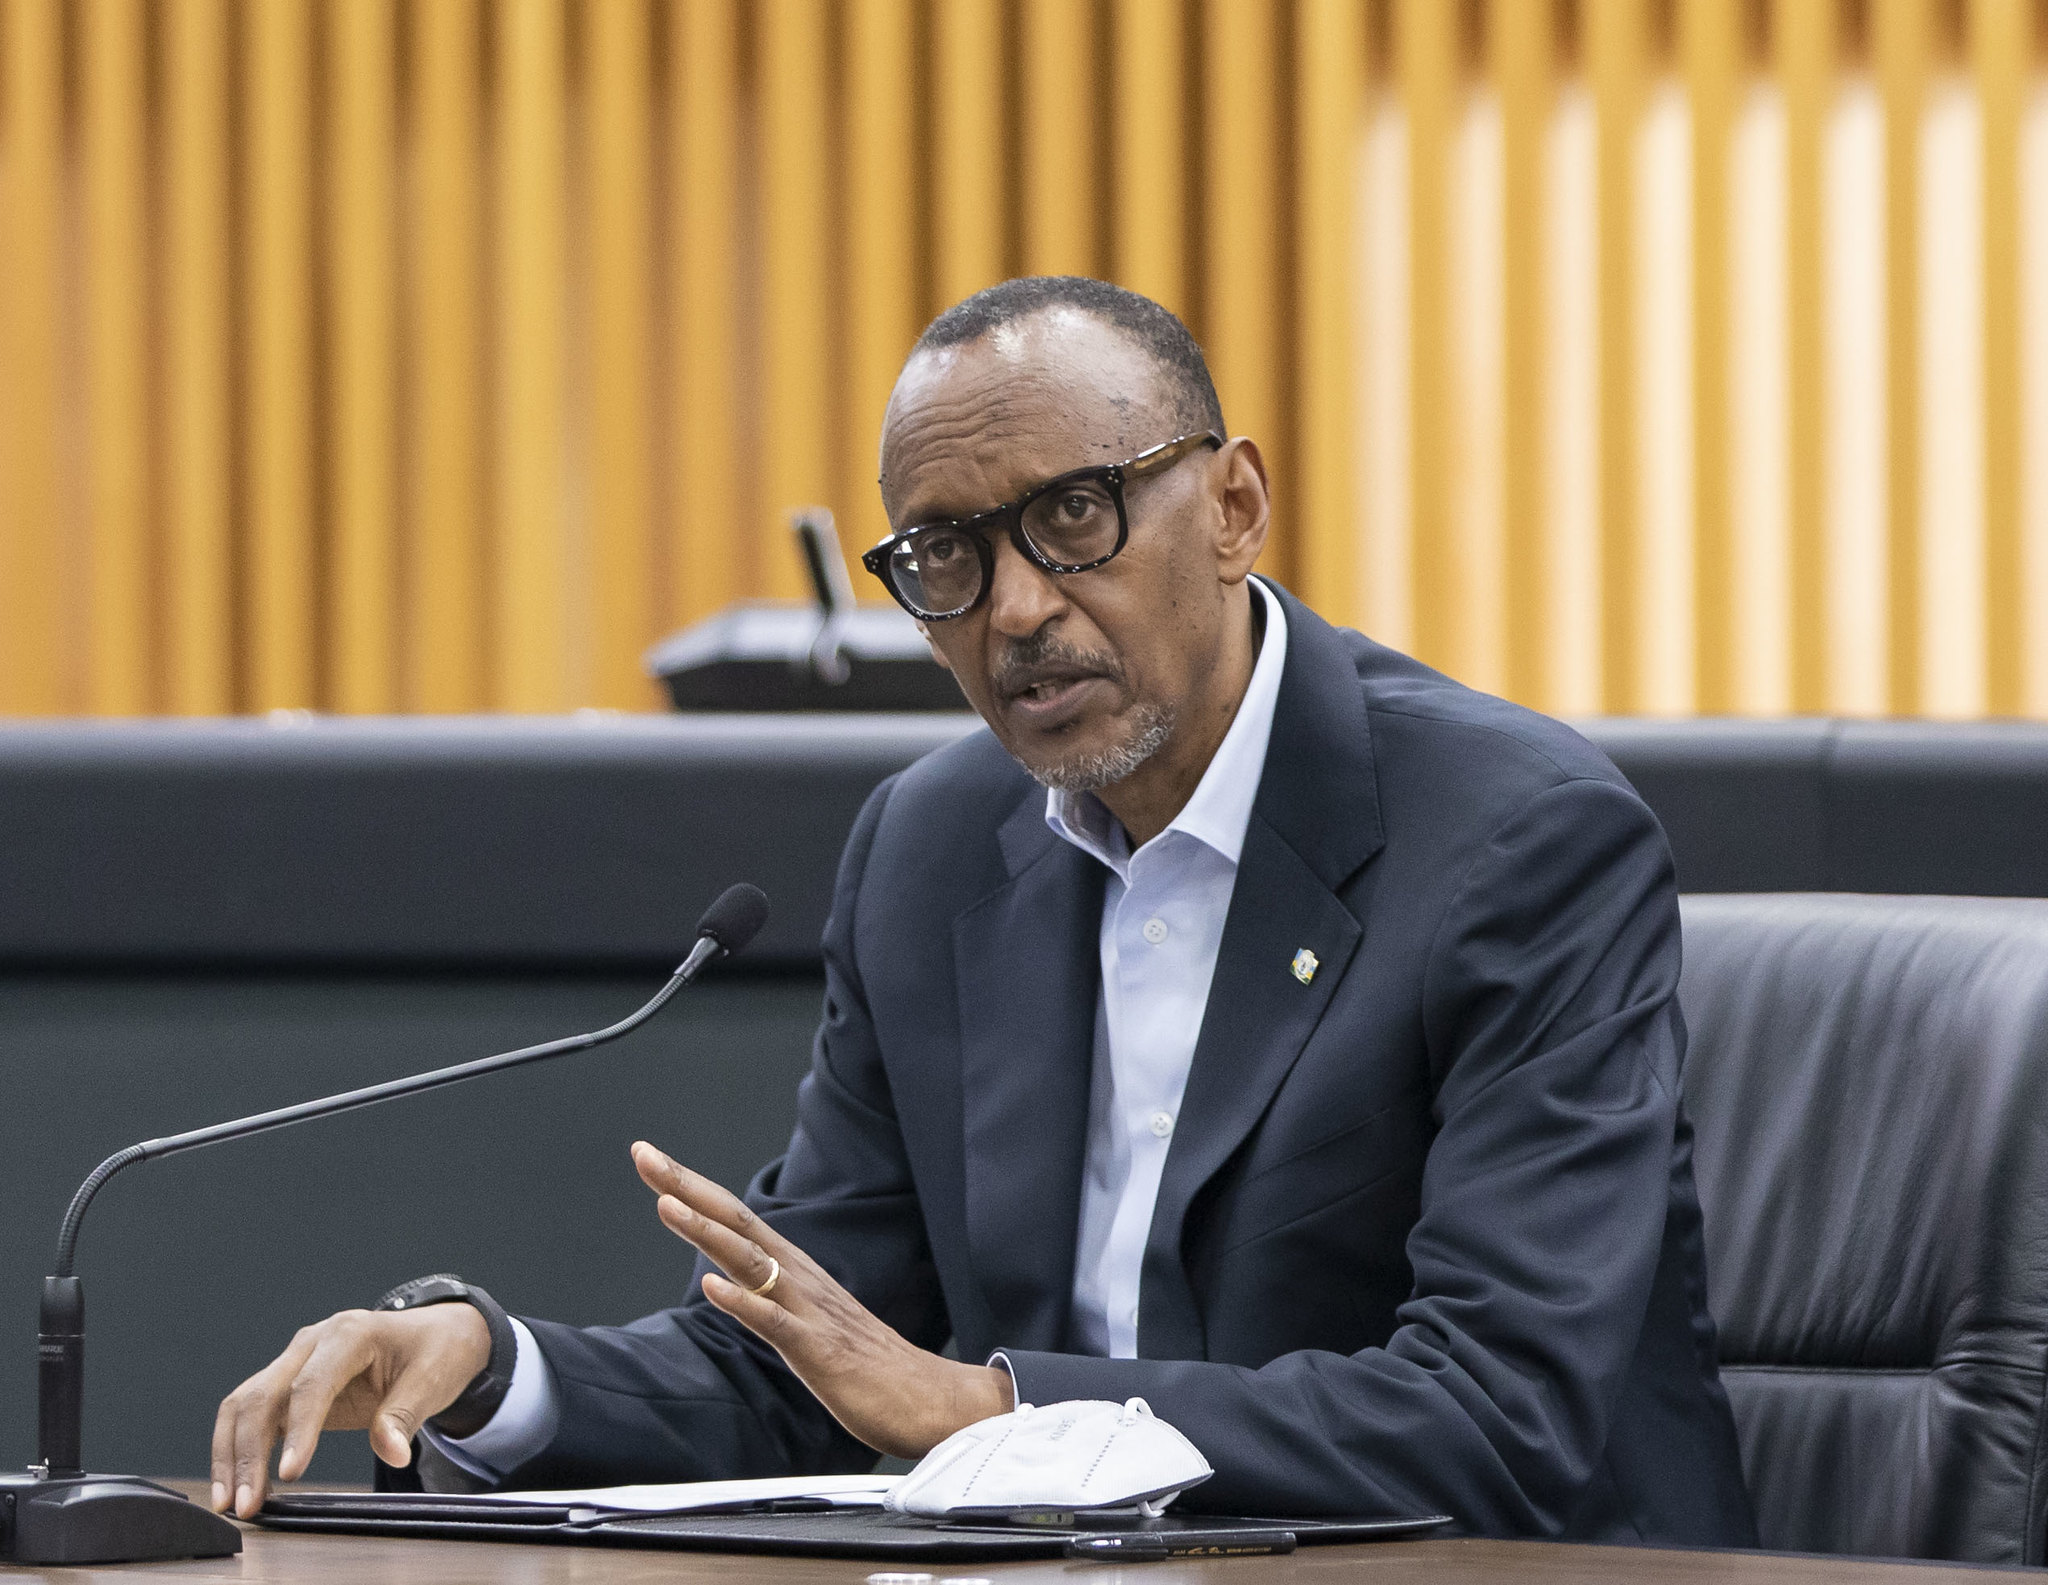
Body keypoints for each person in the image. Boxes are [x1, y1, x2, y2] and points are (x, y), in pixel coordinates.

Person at [209, 276, 1757, 1544]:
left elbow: (1497, 1416)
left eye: (1075, 515)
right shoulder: (935, 848)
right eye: (947, 555)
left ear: (1233, 506)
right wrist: (495, 1368)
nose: (1016, 608)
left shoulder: (1517, 841)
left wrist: (993, 1410)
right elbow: (808, 1361)